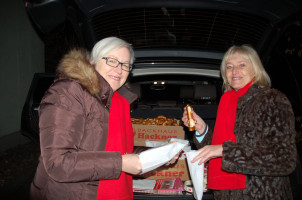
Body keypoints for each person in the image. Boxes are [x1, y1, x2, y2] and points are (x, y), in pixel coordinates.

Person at [30, 37, 177, 200]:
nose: (119, 70)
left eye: (125, 65)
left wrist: (160, 154)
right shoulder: (69, 92)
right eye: (112, 61)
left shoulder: (118, 101)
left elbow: (121, 152)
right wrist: (120, 163)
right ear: (92, 61)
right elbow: (58, 163)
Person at [182, 45, 297, 199]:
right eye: (229, 67)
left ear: (255, 69)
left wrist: (224, 151)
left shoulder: (272, 99)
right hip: (226, 194)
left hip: (262, 193)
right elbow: (218, 148)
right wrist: (202, 130)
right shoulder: (228, 102)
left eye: (242, 65)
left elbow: (284, 159)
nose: (234, 71)